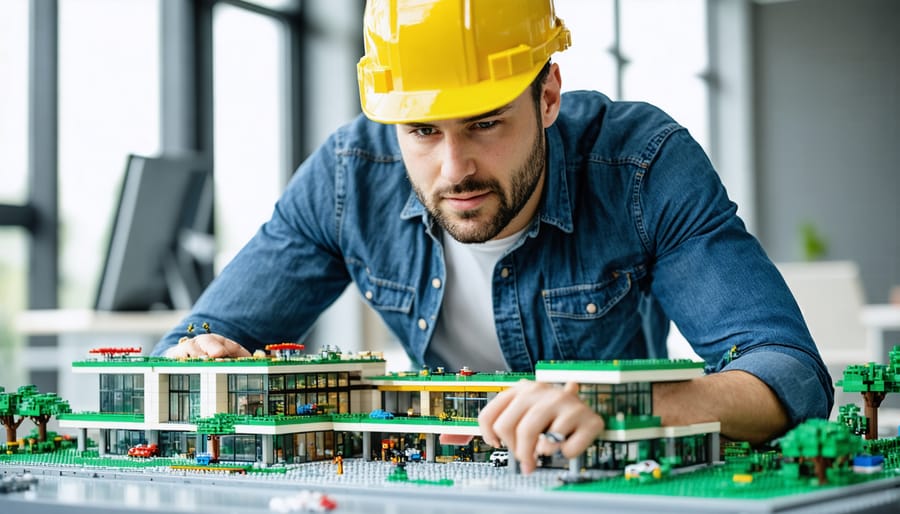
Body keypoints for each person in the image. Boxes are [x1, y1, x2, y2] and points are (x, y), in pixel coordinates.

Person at [152, 0, 833, 474]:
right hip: (438, 480)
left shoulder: (642, 166)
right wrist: (198, 352)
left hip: (604, 485)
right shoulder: (347, 176)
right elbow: (197, 338)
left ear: (547, 95)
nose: (454, 169)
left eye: (483, 123)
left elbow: (787, 371)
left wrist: (617, 406)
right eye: (422, 130)